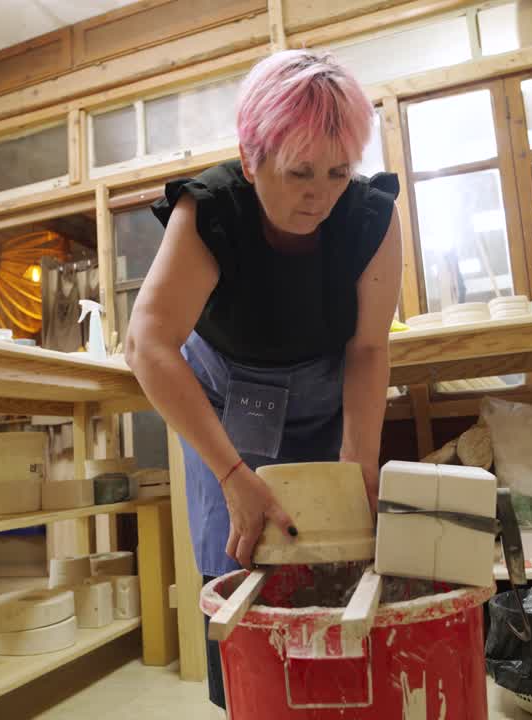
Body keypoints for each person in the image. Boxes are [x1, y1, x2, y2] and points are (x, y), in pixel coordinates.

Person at [124, 49, 401, 709]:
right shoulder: (213, 212)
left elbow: (366, 348)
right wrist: (230, 475)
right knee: (239, 560)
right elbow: (148, 344)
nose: (321, 195)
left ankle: (333, 698)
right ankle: (246, 700)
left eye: (338, 172)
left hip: (322, 399)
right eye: (300, 172)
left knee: (333, 555)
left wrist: (359, 463)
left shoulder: (367, 217)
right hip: (223, 409)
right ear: (251, 160)